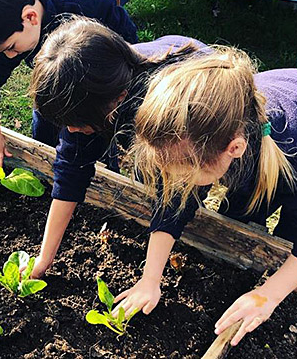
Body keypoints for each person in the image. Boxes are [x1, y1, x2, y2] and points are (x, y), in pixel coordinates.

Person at [125, 46, 297, 345]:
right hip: (269, 126)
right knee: (242, 207)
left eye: (183, 174)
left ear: (234, 150)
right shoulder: (199, 137)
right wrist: (150, 279)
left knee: (296, 230)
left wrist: (267, 296)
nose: (175, 180)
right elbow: (174, 202)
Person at [27, 17, 208, 281]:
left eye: (77, 123)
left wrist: (150, 280)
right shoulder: (94, 88)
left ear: (117, 100)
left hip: (203, 101)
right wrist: (45, 258)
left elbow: (178, 189)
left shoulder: (165, 114)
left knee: (180, 184)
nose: (72, 131)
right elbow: (71, 169)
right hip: (152, 90)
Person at [0, 0, 138, 169]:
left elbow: (130, 53)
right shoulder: (3, 24)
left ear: (30, 17)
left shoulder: (91, 5)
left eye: (11, 48)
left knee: (96, 149)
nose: (8, 57)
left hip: (96, 93)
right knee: (44, 139)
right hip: (51, 90)